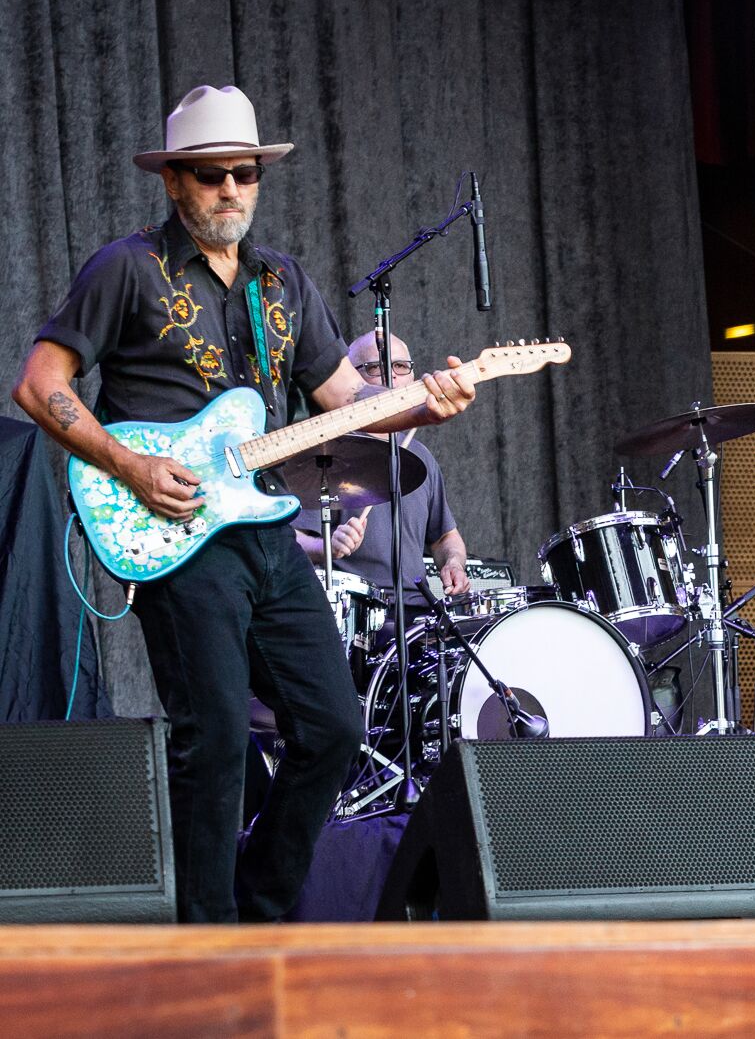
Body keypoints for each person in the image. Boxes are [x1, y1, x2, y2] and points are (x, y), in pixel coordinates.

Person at [12, 85, 478, 922]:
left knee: (334, 726)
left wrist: (426, 403)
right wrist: (128, 465)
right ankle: (205, 948)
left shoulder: (283, 284)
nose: (230, 188)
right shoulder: (128, 268)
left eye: (243, 173)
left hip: (265, 529)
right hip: (177, 531)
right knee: (217, 741)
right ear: (174, 182)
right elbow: (40, 383)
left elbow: (344, 400)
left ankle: (257, 912)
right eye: (210, 174)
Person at [294, 332, 471, 608]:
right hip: (356, 609)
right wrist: (327, 546)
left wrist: (454, 563)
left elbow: (445, 537)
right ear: (348, 379)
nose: (392, 378)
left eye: (400, 366)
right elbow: (289, 540)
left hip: (419, 612)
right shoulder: (325, 454)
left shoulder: (421, 456)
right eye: (375, 368)